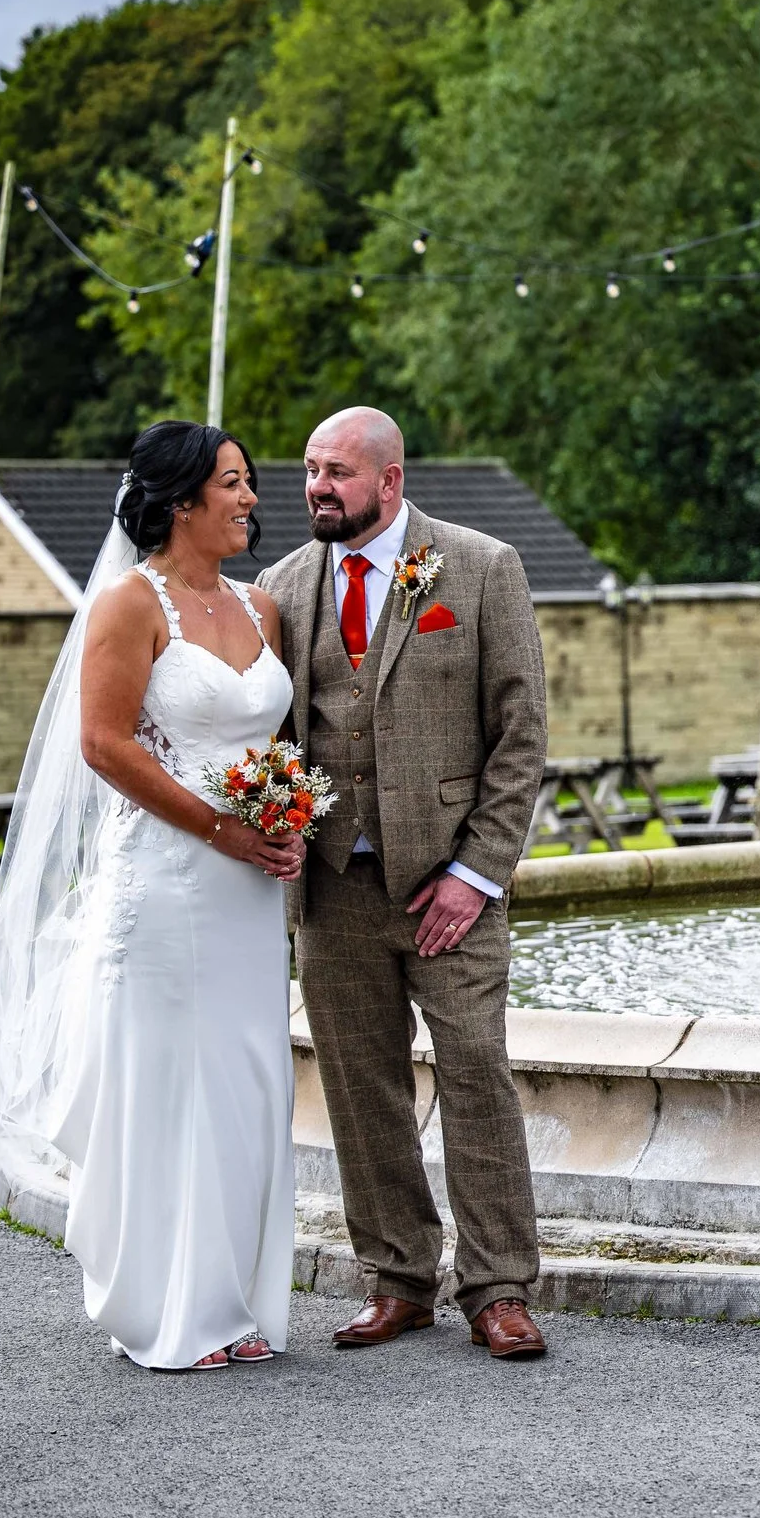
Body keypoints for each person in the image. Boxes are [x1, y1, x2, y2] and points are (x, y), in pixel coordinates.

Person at [0, 421, 303, 1371]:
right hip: (165, 879)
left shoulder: (261, 608)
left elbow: (268, 743)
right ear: (182, 500)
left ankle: (235, 1299)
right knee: (169, 1083)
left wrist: (282, 816)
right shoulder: (129, 602)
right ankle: (167, 1309)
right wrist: (222, 827)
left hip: (247, 892)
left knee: (246, 1081)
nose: (249, 499)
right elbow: (105, 744)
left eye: (248, 483)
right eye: (231, 484)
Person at [257, 406, 550, 1360]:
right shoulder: (282, 586)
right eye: (309, 469)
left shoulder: (479, 567)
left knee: (474, 1074)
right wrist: (278, 829)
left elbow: (521, 737)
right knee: (359, 1086)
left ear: (389, 479)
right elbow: (269, 738)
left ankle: (499, 1286)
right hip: (334, 889)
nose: (316, 487)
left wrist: (476, 872)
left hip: (448, 884)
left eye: (336, 471)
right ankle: (398, 1278)